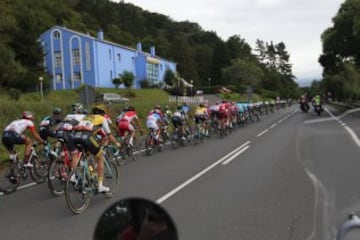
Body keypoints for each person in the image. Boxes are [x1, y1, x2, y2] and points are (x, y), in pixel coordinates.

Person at [72, 104, 121, 193]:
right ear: (103, 113)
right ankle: (100, 186)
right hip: (86, 137)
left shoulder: (87, 117)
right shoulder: (102, 119)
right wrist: (116, 143)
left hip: (74, 136)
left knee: (88, 155)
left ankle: (80, 173)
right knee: (100, 157)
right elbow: (109, 135)